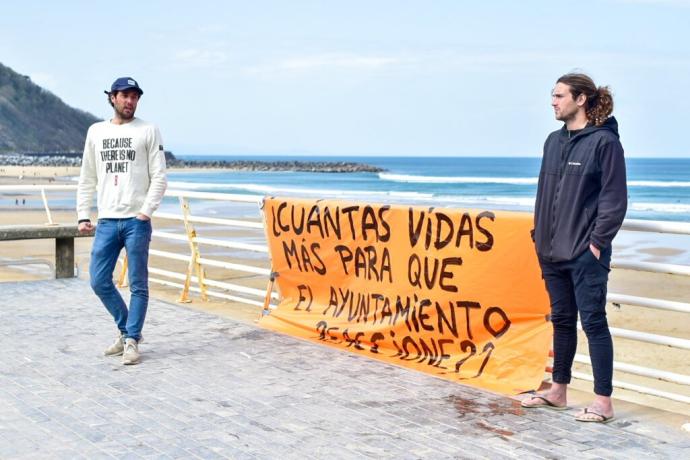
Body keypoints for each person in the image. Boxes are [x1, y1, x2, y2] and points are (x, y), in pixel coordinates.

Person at [522, 73, 627, 423]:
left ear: (580, 99)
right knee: (563, 322)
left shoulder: (604, 143)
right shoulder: (553, 141)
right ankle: (558, 391)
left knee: (594, 322)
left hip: (585, 253)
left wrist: (596, 244)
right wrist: (540, 239)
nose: (553, 102)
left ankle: (603, 403)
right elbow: (543, 195)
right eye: (552, 96)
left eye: (559, 95)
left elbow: (614, 199)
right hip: (551, 251)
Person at [77, 77, 167, 365]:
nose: (130, 101)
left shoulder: (148, 130)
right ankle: (126, 328)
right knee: (99, 280)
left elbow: (160, 176)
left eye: (135, 96)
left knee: (138, 284)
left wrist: (145, 212)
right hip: (106, 220)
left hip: (136, 221)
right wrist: (83, 214)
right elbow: (87, 177)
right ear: (112, 98)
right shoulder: (96, 132)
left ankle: (131, 341)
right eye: (125, 96)